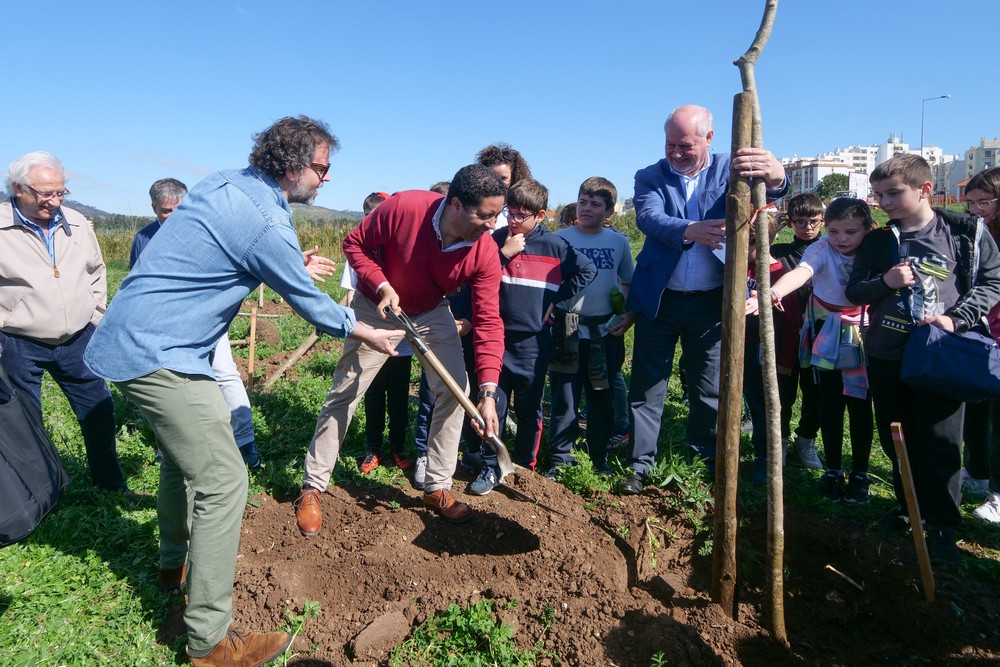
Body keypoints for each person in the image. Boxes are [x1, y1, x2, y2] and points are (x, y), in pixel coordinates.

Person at [84, 115, 400, 665]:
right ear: (293, 164)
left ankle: (172, 562)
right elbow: (305, 297)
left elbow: (231, 257)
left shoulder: (227, 184)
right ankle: (209, 641)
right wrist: (364, 327)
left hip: (146, 342)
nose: (326, 181)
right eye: (322, 169)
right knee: (225, 479)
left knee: (181, 461)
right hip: (164, 354)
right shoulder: (261, 216)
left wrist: (286, 264)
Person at [295, 164, 506, 532]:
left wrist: (489, 390)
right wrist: (380, 284)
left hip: (430, 309)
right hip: (377, 306)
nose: (492, 225)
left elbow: (488, 319)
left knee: (457, 393)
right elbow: (354, 244)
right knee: (347, 391)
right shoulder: (405, 207)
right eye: (485, 216)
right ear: (455, 204)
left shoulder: (484, 250)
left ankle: (436, 486)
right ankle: (313, 485)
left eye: (496, 216)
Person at [619, 105, 788, 494]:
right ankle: (640, 464)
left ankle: (705, 459)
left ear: (708, 138)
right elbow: (648, 218)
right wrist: (691, 229)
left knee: (709, 384)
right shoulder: (650, 176)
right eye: (670, 145)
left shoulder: (733, 167)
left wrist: (778, 175)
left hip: (715, 302)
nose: (676, 153)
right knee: (647, 384)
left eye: (685, 145)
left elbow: (773, 191)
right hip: (661, 300)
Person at [846, 154, 1000, 564]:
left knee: (940, 439)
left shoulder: (964, 232)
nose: (885, 202)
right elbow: (855, 291)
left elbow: (992, 281)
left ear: (925, 189)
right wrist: (885, 282)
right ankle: (906, 507)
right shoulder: (879, 240)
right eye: (879, 195)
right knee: (897, 435)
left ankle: (943, 524)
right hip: (886, 354)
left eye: (893, 193)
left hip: (940, 356)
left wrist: (956, 319)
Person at [0, 151, 128, 493]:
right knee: (24, 421)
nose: (54, 201)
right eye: (46, 193)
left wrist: (95, 317)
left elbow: (97, 272)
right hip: (17, 340)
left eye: (60, 192)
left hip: (76, 339)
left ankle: (109, 481)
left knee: (98, 410)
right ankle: (40, 492)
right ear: (18, 188)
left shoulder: (78, 223)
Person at [468, 178, 596, 494]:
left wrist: (557, 300)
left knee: (529, 408)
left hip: (533, 343)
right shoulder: (495, 240)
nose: (512, 220)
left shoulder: (556, 247)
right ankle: (488, 467)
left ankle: (523, 468)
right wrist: (503, 254)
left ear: (540, 216)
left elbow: (587, 271)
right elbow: (474, 275)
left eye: (520, 215)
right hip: (496, 337)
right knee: (491, 407)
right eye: (509, 212)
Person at [770, 198, 876, 502]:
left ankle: (860, 472)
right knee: (829, 400)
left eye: (850, 232)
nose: (841, 239)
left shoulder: (877, 248)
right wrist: (774, 291)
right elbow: (802, 272)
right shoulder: (821, 248)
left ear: (867, 228)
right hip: (826, 332)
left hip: (864, 332)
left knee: (859, 404)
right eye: (834, 231)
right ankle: (832, 469)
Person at [547, 177, 634, 478]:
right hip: (567, 329)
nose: (586, 209)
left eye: (595, 204)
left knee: (602, 395)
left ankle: (599, 456)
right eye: (583, 202)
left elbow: (626, 280)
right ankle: (560, 458)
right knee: (565, 395)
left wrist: (624, 313)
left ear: (609, 210)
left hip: (604, 331)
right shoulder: (560, 239)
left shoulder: (618, 242)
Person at [340, 192, 416, 475]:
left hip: (399, 341)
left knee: (398, 396)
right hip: (368, 337)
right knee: (372, 395)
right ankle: (373, 449)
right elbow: (350, 294)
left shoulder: (402, 251)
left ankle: (398, 447)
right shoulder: (358, 252)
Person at [957, 167, 1000, 522]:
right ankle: (977, 469)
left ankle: (997, 494)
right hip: (981, 330)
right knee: (976, 406)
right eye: (970, 203)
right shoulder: (976, 234)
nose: (976, 209)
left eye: (984, 202)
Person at [771, 193, 824, 469]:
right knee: (783, 393)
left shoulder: (830, 250)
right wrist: (773, 227)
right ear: (791, 223)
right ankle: (778, 442)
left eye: (813, 221)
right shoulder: (781, 252)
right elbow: (757, 248)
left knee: (816, 393)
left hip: (821, 335)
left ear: (822, 222)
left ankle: (806, 440)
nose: (807, 227)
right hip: (787, 334)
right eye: (800, 221)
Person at [476, 142, 531, 229]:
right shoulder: (474, 204)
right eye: (492, 175)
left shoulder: (520, 210)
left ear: (514, 178)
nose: (497, 182)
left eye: (503, 178)